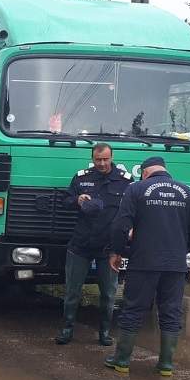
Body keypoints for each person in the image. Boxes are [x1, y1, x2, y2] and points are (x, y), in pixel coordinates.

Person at [105, 156, 190, 375]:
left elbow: (121, 224)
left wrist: (117, 251)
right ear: (165, 170)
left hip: (143, 262)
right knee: (171, 312)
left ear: (144, 172)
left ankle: (122, 361)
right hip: (175, 264)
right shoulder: (187, 192)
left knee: (132, 309)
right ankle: (166, 365)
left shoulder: (137, 189)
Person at [56, 143, 133, 346]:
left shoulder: (125, 181)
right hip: (81, 244)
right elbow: (64, 201)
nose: (102, 163)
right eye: (98, 160)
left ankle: (105, 332)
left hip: (108, 247)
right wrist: (77, 200)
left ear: (112, 157)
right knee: (72, 291)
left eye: (105, 159)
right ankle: (67, 329)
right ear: (93, 158)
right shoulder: (81, 177)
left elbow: (133, 210)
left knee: (108, 293)